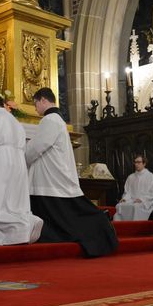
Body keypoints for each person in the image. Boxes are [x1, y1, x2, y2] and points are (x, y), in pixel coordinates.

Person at [25, 87, 118, 257]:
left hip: (50, 180)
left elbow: (37, 146)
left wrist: (21, 156)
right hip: (51, 178)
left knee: (68, 216)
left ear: (44, 100)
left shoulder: (50, 120)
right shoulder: (56, 119)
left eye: (36, 104)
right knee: (66, 216)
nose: (36, 108)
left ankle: (101, 222)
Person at [0, 92, 43, 245]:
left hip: (0, 160)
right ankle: (27, 221)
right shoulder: (16, 122)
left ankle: (19, 226)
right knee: (13, 201)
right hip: (18, 161)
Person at [114, 155, 153, 221]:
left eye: (139, 162)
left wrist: (142, 199)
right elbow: (127, 192)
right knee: (119, 206)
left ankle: (134, 228)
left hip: (144, 202)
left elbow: (152, 193)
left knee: (135, 207)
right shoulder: (131, 177)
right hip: (131, 200)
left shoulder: (150, 177)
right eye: (135, 162)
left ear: (144, 163)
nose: (136, 164)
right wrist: (125, 199)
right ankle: (121, 228)